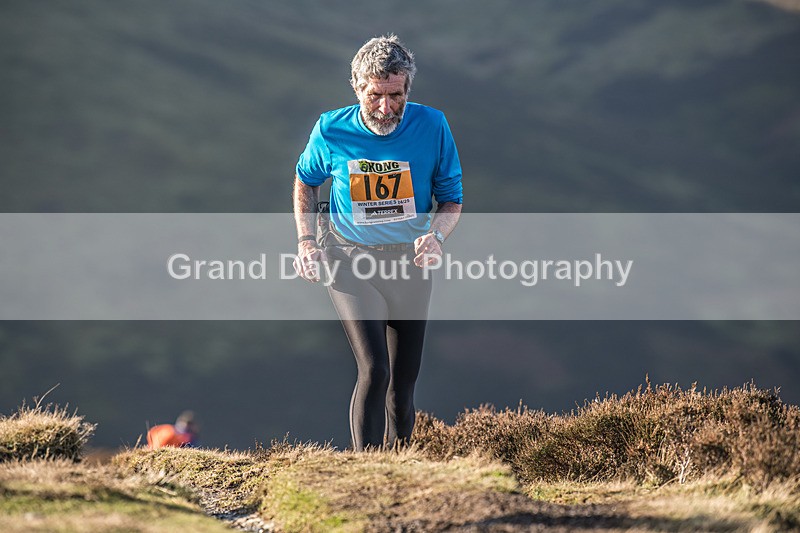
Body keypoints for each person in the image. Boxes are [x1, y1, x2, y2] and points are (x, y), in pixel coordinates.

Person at [292, 35, 463, 451]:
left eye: (396, 96)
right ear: (357, 88)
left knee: (403, 388)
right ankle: (364, 468)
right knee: (375, 370)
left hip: (409, 264)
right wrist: (307, 241)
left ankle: (397, 470)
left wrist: (437, 236)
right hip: (349, 259)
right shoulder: (331, 128)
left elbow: (451, 199)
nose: (386, 108)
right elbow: (306, 181)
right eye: (375, 96)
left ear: (407, 89)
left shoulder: (432, 125)